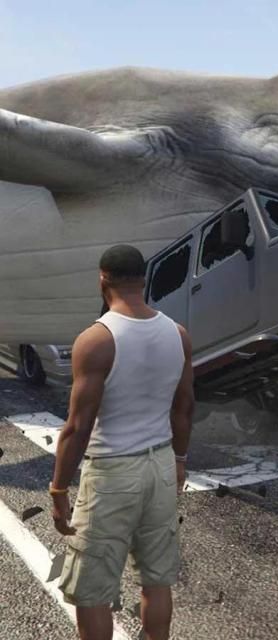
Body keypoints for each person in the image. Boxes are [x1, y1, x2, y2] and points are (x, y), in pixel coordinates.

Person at [49, 244, 194, 640]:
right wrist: (179, 460)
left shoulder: (97, 339)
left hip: (112, 472)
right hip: (160, 465)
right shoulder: (177, 334)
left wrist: (59, 489)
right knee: (156, 579)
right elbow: (184, 407)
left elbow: (78, 427)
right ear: (143, 280)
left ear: (103, 280)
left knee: (92, 589)